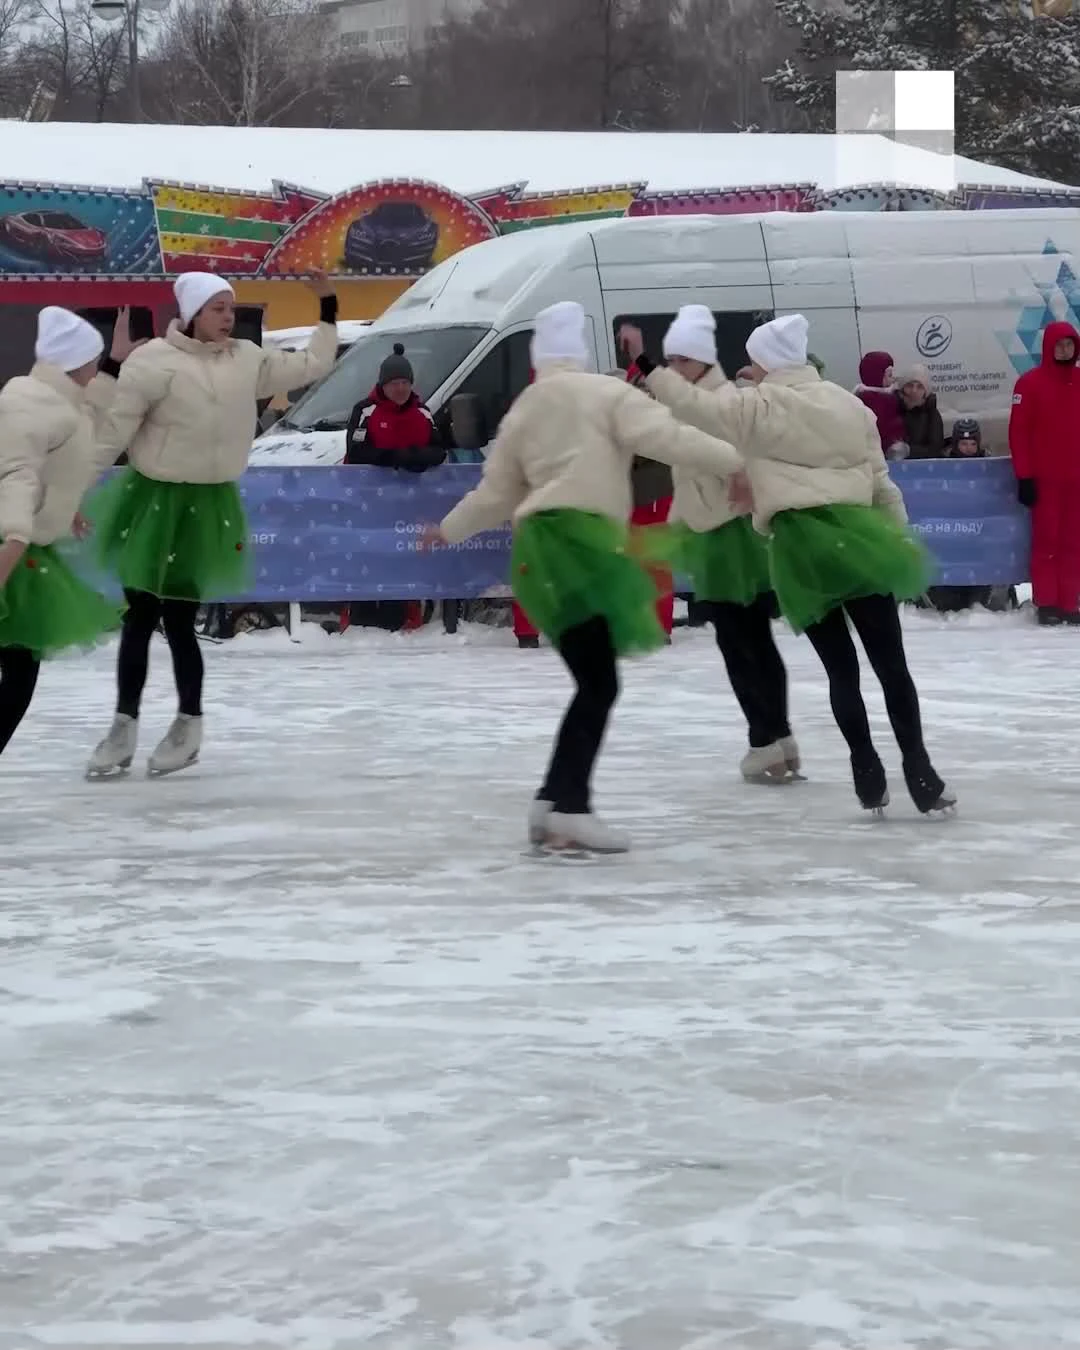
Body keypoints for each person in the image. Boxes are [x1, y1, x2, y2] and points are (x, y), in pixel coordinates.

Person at [421, 300, 742, 854]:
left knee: (592, 678)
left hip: (539, 549)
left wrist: (448, 530)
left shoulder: (525, 407)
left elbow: (496, 493)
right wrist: (735, 462)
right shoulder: (604, 392)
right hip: (585, 543)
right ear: (582, 351)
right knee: (599, 682)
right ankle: (569, 806)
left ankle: (553, 799)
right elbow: (669, 438)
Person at [623, 312, 955, 817]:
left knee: (841, 670)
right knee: (892, 667)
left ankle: (866, 770)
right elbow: (882, 481)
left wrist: (646, 363)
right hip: (859, 537)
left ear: (768, 361)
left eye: (754, 360)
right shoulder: (852, 406)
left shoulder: (759, 407)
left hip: (802, 547)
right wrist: (897, 539)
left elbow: (690, 403)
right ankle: (920, 770)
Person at [84, 270, 338, 778]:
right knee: (140, 616)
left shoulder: (247, 359)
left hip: (207, 506)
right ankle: (123, 725)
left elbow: (312, 364)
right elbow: (111, 432)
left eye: (231, 308)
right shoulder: (154, 361)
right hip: (154, 499)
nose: (228, 317)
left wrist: (327, 307)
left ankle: (188, 725)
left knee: (180, 620)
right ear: (193, 312)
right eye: (218, 308)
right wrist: (72, 488)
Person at [639, 305, 799, 782]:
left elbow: (726, 455)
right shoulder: (702, 400)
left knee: (739, 642)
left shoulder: (714, 402)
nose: (671, 369)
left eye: (678, 360)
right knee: (753, 640)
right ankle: (779, 736)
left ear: (700, 361)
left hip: (726, 536)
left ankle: (764, 741)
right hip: (718, 530)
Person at [0, 308, 143, 756]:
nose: (95, 368)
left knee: (19, 675)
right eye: (94, 360)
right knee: (18, 677)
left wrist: (68, 506)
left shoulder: (58, 399)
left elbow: (82, 423)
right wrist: (16, 537)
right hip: (10, 550)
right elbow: (17, 473)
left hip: (24, 551)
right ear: (75, 361)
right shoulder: (31, 405)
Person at [343, 342, 446, 634]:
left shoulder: (422, 412)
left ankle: (404, 615)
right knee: (372, 558)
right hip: (368, 505)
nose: (400, 389)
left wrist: (416, 458)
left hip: (409, 506)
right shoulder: (365, 410)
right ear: (383, 384)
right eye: (394, 383)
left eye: (405, 383)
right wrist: (393, 458)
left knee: (403, 559)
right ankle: (361, 617)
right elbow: (357, 451)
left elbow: (439, 451)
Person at [1008, 320, 1080, 626]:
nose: (1065, 350)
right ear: (1048, 347)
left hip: (1076, 480)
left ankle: (1069, 601)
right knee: (1047, 541)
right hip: (1046, 480)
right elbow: (1018, 433)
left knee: (1073, 542)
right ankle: (1047, 602)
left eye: (1070, 344)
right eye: (1059, 345)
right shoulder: (1029, 383)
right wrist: (1025, 476)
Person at [854, 351, 908, 460]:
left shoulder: (888, 396)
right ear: (877, 376)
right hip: (883, 449)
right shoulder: (874, 400)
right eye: (889, 375)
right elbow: (880, 426)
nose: (892, 379)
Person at [895, 363, 945, 459]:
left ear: (925, 392)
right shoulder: (893, 409)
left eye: (920, 387)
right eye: (910, 385)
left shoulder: (932, 414)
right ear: (902, 388)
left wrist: (909, 451)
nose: (914, 390)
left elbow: (935, 449)